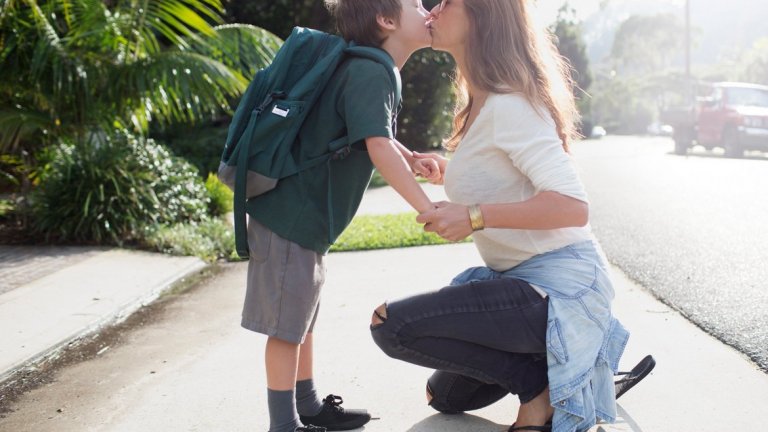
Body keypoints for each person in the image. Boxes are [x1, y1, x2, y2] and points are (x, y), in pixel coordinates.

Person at [369, 1, 631, 431]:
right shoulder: (482, 103)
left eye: (445, 2)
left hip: (557, 290)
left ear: (481, 15)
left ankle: (539, 386)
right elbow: (506, 179)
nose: (432, 11)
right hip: (516, 285)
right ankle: (563, 366)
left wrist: (473, 216)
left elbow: (571, 205)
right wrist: (450, 173)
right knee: (445, 396)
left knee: (391, 326)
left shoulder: (512, 104)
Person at [241, 1, 439, 431]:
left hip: (304, 219)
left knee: (301, 317)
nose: (427, 10)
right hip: (290, 216)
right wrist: (426, 207)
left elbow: (373, 131)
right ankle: (284, 424)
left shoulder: (373, 67)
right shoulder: (372, 69)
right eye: (416, 4)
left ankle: (308, 404)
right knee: (286, 328)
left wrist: (411, 156)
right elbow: (377, 145)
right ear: (386, 21)